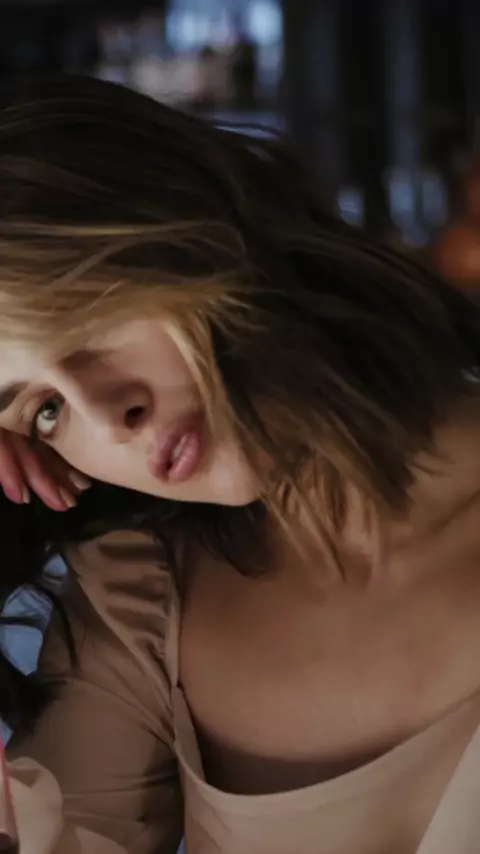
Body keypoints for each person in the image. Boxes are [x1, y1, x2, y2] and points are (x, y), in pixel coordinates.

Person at [1, 74, 480, 854]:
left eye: (85, 315)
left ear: (180, 219)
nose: (106, 416)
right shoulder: (141, 595)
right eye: (43, 410)